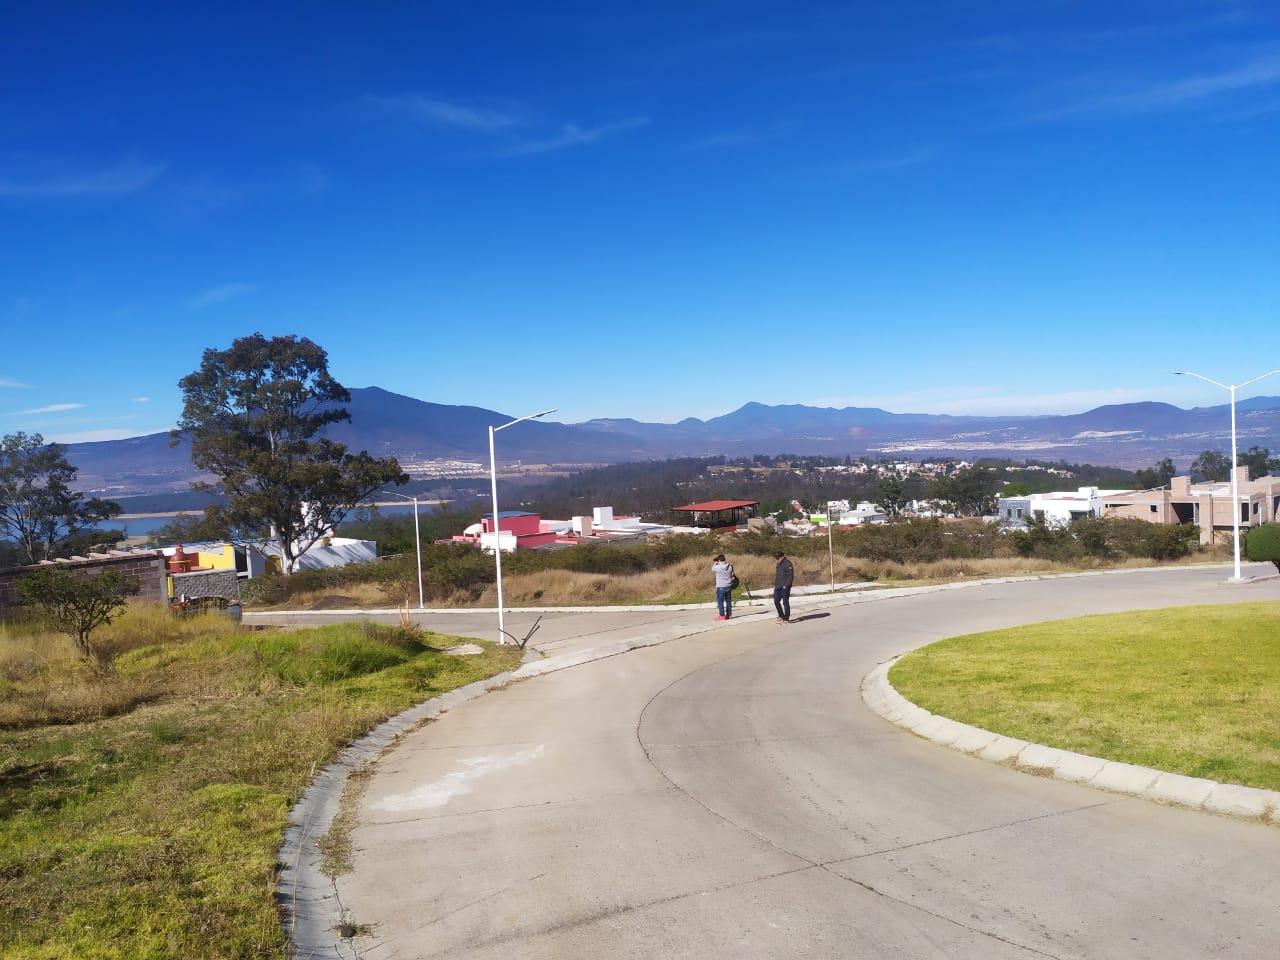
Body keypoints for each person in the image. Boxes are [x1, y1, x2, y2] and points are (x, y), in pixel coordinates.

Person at [711, 553, 735, 620]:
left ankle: (722, 616)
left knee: (720, 602)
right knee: (728, 601)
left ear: (719, 560)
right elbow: (732, 573)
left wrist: (715, 563)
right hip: (729, 586)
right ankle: (729, 615)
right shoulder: (730, 566)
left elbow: (712, 569)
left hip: (720, 586)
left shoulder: (717, 567)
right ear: (724, 559)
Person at [773, 550, 794, 623]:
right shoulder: (778, 564)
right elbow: (778, 575)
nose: (777, 559)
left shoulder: (788, 564)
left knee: (785, 602)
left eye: (778, 557)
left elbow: (791, 576)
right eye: (776, 558)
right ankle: (781, 615)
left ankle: (786, 618)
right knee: (776, 601)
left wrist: (786, 585)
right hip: (778, 586)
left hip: (785, 587)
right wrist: (775, 584)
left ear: (782, 556)